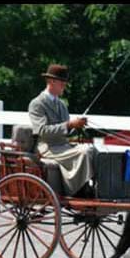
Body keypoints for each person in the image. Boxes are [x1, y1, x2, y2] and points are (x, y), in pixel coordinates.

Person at [28, 64, 96, 195]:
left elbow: (67, 132)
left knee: (93, 150)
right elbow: (42, 131)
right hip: (48, 148)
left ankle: (93, 187)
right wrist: (69, 125)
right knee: (85, 152)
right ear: (51, 81)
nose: (64, 85)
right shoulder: (37, 104)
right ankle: (79, 189)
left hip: (63, 146)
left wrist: (78, 126)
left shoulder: (61, 105)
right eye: (62, 82)